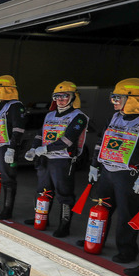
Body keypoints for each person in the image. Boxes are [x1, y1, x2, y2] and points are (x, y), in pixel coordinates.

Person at [86, 78, 139, 265]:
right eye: (113, 98)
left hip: (129, 176)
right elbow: (101, 141)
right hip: (108, 173)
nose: (114, 101)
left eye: (118, 97)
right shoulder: (114, 117)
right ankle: (95, 240)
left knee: (126, 216)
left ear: (134, 99)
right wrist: (94, 165)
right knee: (101, 209)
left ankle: (127, 251)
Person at [24, 81, 88, 237]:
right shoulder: (49, 114)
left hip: (63, 161)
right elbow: (40, 134)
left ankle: (64, 225)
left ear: (74, 97)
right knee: (42, 191)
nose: (60, 99)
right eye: (57, 96)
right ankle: (40, 218)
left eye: (65, 96)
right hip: (45, 159)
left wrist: (44, 149)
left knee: (64, 194)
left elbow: (68, 140)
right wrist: (33, 147)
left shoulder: (79, 117)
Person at [0, 75, 26, 220]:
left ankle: (7, 209)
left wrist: (12, 147)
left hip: (5, 148)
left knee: (8, 180)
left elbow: (18, 128)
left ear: (5, 89)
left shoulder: (15, 106)